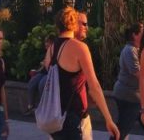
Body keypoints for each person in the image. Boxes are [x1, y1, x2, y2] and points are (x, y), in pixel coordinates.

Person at [47, 8, 119, 140]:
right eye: (83, 24)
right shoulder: (79, 48)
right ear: (73, 24)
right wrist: (108, 119)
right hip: (74, 119)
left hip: (55, 119)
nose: (87, 27)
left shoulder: (52, 49)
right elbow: (94, 86)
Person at [113, 22, 143, 138]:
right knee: (123, 129)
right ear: (135, 35)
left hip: (135, 96)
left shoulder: (138, 49)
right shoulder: (130, 50)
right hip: (128, 96)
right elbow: (138, 74)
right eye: (143, 32)